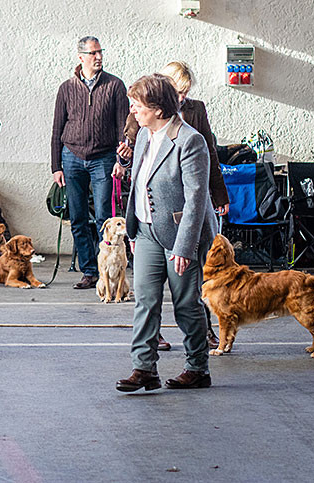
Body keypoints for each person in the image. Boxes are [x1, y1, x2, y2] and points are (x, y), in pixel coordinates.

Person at [116, 74, 217, 392]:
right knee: (145, 300)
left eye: (138, 105)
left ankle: (198, 368)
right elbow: (138, 184)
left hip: (180, 234)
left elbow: (196, 201)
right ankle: (144, 368)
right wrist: (133, 230)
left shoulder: (190, 141)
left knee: (187, 303)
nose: (133, 110)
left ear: (158, 109)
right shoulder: (145, 135)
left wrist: (185, 248)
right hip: (145, 232)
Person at [50, 36, 129, 289]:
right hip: (71, 157)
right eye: (93, 53)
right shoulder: (66, 88)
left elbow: (123, 127)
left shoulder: (115, 86)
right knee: (78, 217)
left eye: (100, 52)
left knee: (106, 216)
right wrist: (56, 166)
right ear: (80, 57)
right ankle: (89, 270)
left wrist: (121, 161)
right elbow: (56, 129)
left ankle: (109, 268)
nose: (99, 57)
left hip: (104, 158)